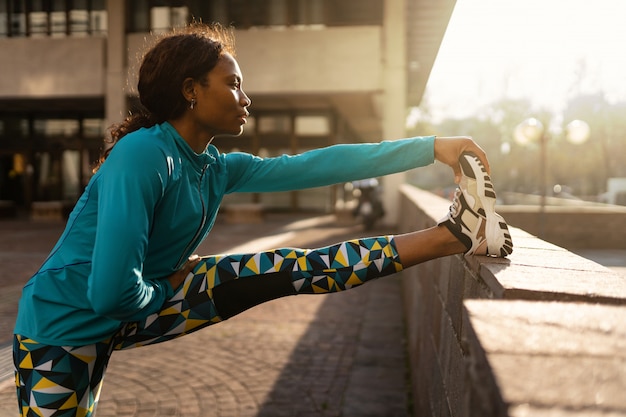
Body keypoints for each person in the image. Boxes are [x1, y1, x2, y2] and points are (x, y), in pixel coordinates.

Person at [12, 23, 513, 416]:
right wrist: (165, 289)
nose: (245, 98)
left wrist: (431, 148)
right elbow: (109, 293)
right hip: (63, 327)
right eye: (232, 84)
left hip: (132, 305)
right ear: (191, 89)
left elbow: (320, 164)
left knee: (290, 268)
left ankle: (454, 235)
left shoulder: (214, 167)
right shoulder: (144, 156)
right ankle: (456, 233)